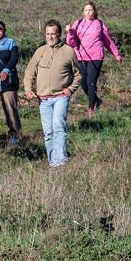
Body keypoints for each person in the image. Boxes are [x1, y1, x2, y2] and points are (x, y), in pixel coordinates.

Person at [24, 20, 81, 168]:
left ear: (59, 34)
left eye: (53, 34)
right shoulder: (40, 52)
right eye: (47, 34)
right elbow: (29, 73)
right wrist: (28, 90)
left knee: (58, 127)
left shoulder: (69, 51)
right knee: (48, 132)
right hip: (43, 99)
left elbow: (79, 74)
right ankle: (52, 163)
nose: (50, 37)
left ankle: (61, 162)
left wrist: (70, 89)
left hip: (60, 97)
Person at [66, 2, 122, 115]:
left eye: (90, 10)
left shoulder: (99, 24)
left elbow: (108, 41)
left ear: (94, 11)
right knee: (83, 83)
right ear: (83, 12)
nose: (88, 12)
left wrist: (116, 54)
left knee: (91, 82)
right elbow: (70, 42)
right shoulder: (78, 23)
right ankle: (96, 100)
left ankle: (91, 109)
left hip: (96, 56)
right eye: (86, 10)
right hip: (81, 57)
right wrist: (70, 32)